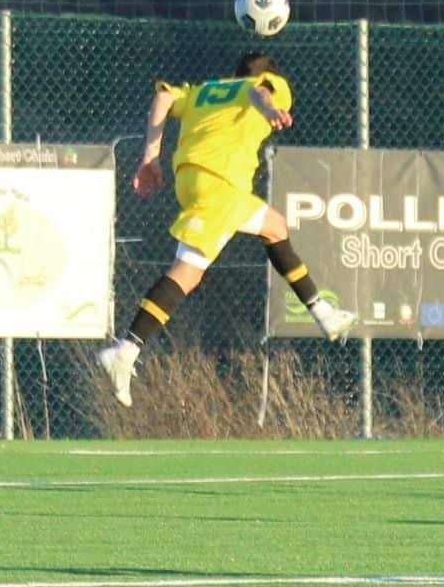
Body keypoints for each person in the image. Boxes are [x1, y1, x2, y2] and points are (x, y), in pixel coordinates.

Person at [96, 52, 356, 407]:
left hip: (198, 182)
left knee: (274, 226)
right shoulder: (267, 85)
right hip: (219, 184)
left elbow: (164, 97)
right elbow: (259, 93)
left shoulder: (205, 90)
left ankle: (323, 312)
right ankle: (125, 351)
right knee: (186, 274)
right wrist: (268, 110)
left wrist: (150, 156)